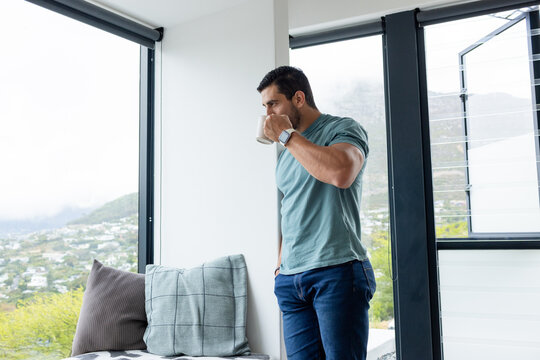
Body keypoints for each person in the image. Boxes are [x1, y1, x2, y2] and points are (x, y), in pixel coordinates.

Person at [257, 66, 376, 360]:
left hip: (336, 272)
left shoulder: (342, 129)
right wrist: (279, 266)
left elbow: (341, 172)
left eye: (273, 104)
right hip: (290, 281)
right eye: (264, 107)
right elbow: (290, 209)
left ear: (298, 98)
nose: (268, 114)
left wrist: (287, 136)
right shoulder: (285, 157)